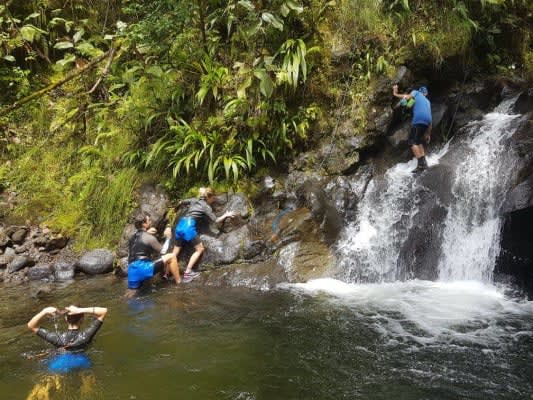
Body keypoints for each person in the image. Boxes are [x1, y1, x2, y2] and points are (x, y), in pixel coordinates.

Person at [173, 187, 237, 282]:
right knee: (200, 249)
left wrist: (176, 208)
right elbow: (216, 221)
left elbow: (181, 202)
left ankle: (166, 273)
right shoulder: (206, 207)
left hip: (180, 224)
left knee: (175, 252)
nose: (214, 200)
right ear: (210, 197)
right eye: (214, 198)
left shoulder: (194, 200)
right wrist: (226, 215)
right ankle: (187, 273)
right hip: (188, 226)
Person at [27, 305, 108, 374]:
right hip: (82, 361)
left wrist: (44, 311)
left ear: (66, 319)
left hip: (60, 363)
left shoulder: (57, 338)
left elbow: (31, 325)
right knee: (87, 378)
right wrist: (80, 310)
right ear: (82, 319)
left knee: (50, 378)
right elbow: (103, 311)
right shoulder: (86, 336)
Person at [127, 213, 181, 295]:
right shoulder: (149, 238)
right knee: (172, 256)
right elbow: (163, 251)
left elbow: (140, 239)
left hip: (131, 270)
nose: (151, 222)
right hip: (143, 268)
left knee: (131, 293)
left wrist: (147, 232)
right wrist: (168, 238)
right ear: (144, 224)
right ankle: (179, 283)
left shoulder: (132, 237)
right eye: (149, 220)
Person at [392, 84, 432, 172]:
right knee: (418, 141)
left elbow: (406, 97)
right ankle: (424, 163)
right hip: (427, 121)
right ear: (426, 94)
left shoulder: (416, 93)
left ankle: (421, 165)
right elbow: (409, 106)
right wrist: (428, 134)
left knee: (411, 142)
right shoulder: (427, 102)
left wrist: (395, 94)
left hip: (418, 120)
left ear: (419, 91)